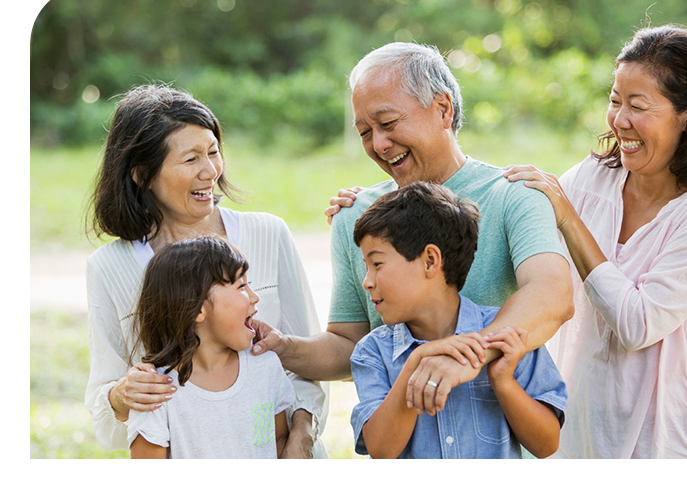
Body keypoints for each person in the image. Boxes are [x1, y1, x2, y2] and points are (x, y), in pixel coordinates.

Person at [254, 42, 573, 418]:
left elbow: (552, 293)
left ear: (443, 109)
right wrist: (281, 347)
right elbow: (349, 344)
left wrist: (464, 356)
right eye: (364, 132)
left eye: (387, 124)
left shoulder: (513, 195)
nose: (378, 144)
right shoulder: (354, 216)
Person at [503, 25, 687, 458]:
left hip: (665, 445)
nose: (619, 120)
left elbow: (638, 324)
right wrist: (376, 203)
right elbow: (516, 229)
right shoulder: (592, 178)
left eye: (638, 105)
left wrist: (569, 218)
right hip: (579, 435)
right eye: (615, 101)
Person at [84, 84, 327, 458]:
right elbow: (108, 416)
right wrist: (121, 395)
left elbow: (305, 364)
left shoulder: (267, 232)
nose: (210, 171)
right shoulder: (109, 267)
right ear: (142, 174)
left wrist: (301, 435)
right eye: (191, 159)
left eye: (213, 152)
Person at [348, 182, 567, 459]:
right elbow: (381, 450)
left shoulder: (508, 339)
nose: (367, 282)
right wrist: (415, 364)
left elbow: (547, 444)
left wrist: (503, 382)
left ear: (430, 260)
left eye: (377, 264)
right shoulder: (373, 352)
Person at [128, 237, 295, 458]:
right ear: (197, 309)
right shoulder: (155, 391)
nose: (255, 297)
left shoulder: (265, 367)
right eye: (241, 286)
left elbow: (277, 441)